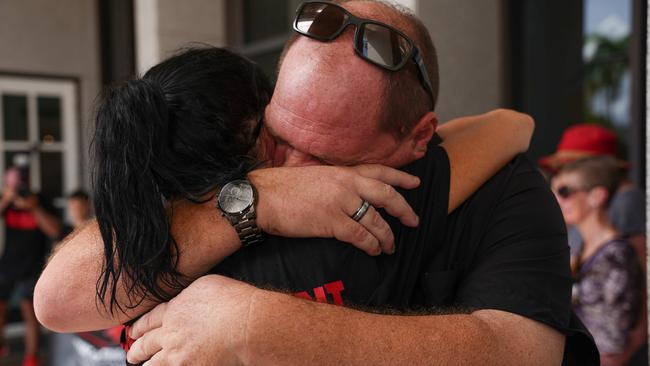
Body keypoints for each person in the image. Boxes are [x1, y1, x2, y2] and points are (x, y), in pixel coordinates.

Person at [36, 1, 598, 364]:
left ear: (419, 137)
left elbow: (523, 351)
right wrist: (257, 201)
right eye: (277, 137)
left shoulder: (500, 190)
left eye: (324, 156)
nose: (289, 169)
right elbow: (58, 299)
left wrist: (261, 325)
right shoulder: (228, 178)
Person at [540, 123, 647, 365]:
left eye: (565, 191)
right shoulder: (585, 244)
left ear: (597, 193)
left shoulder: (616, 250)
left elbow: (615, 338)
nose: (557, 198)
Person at [0, 166, 61, 366]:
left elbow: (54, 230)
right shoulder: (6, 201)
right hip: (8, 263)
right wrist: (6, 200)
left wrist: (33, 207)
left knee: (29, 311)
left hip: (33, 265)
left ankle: (31, 358)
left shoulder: (40, 200)